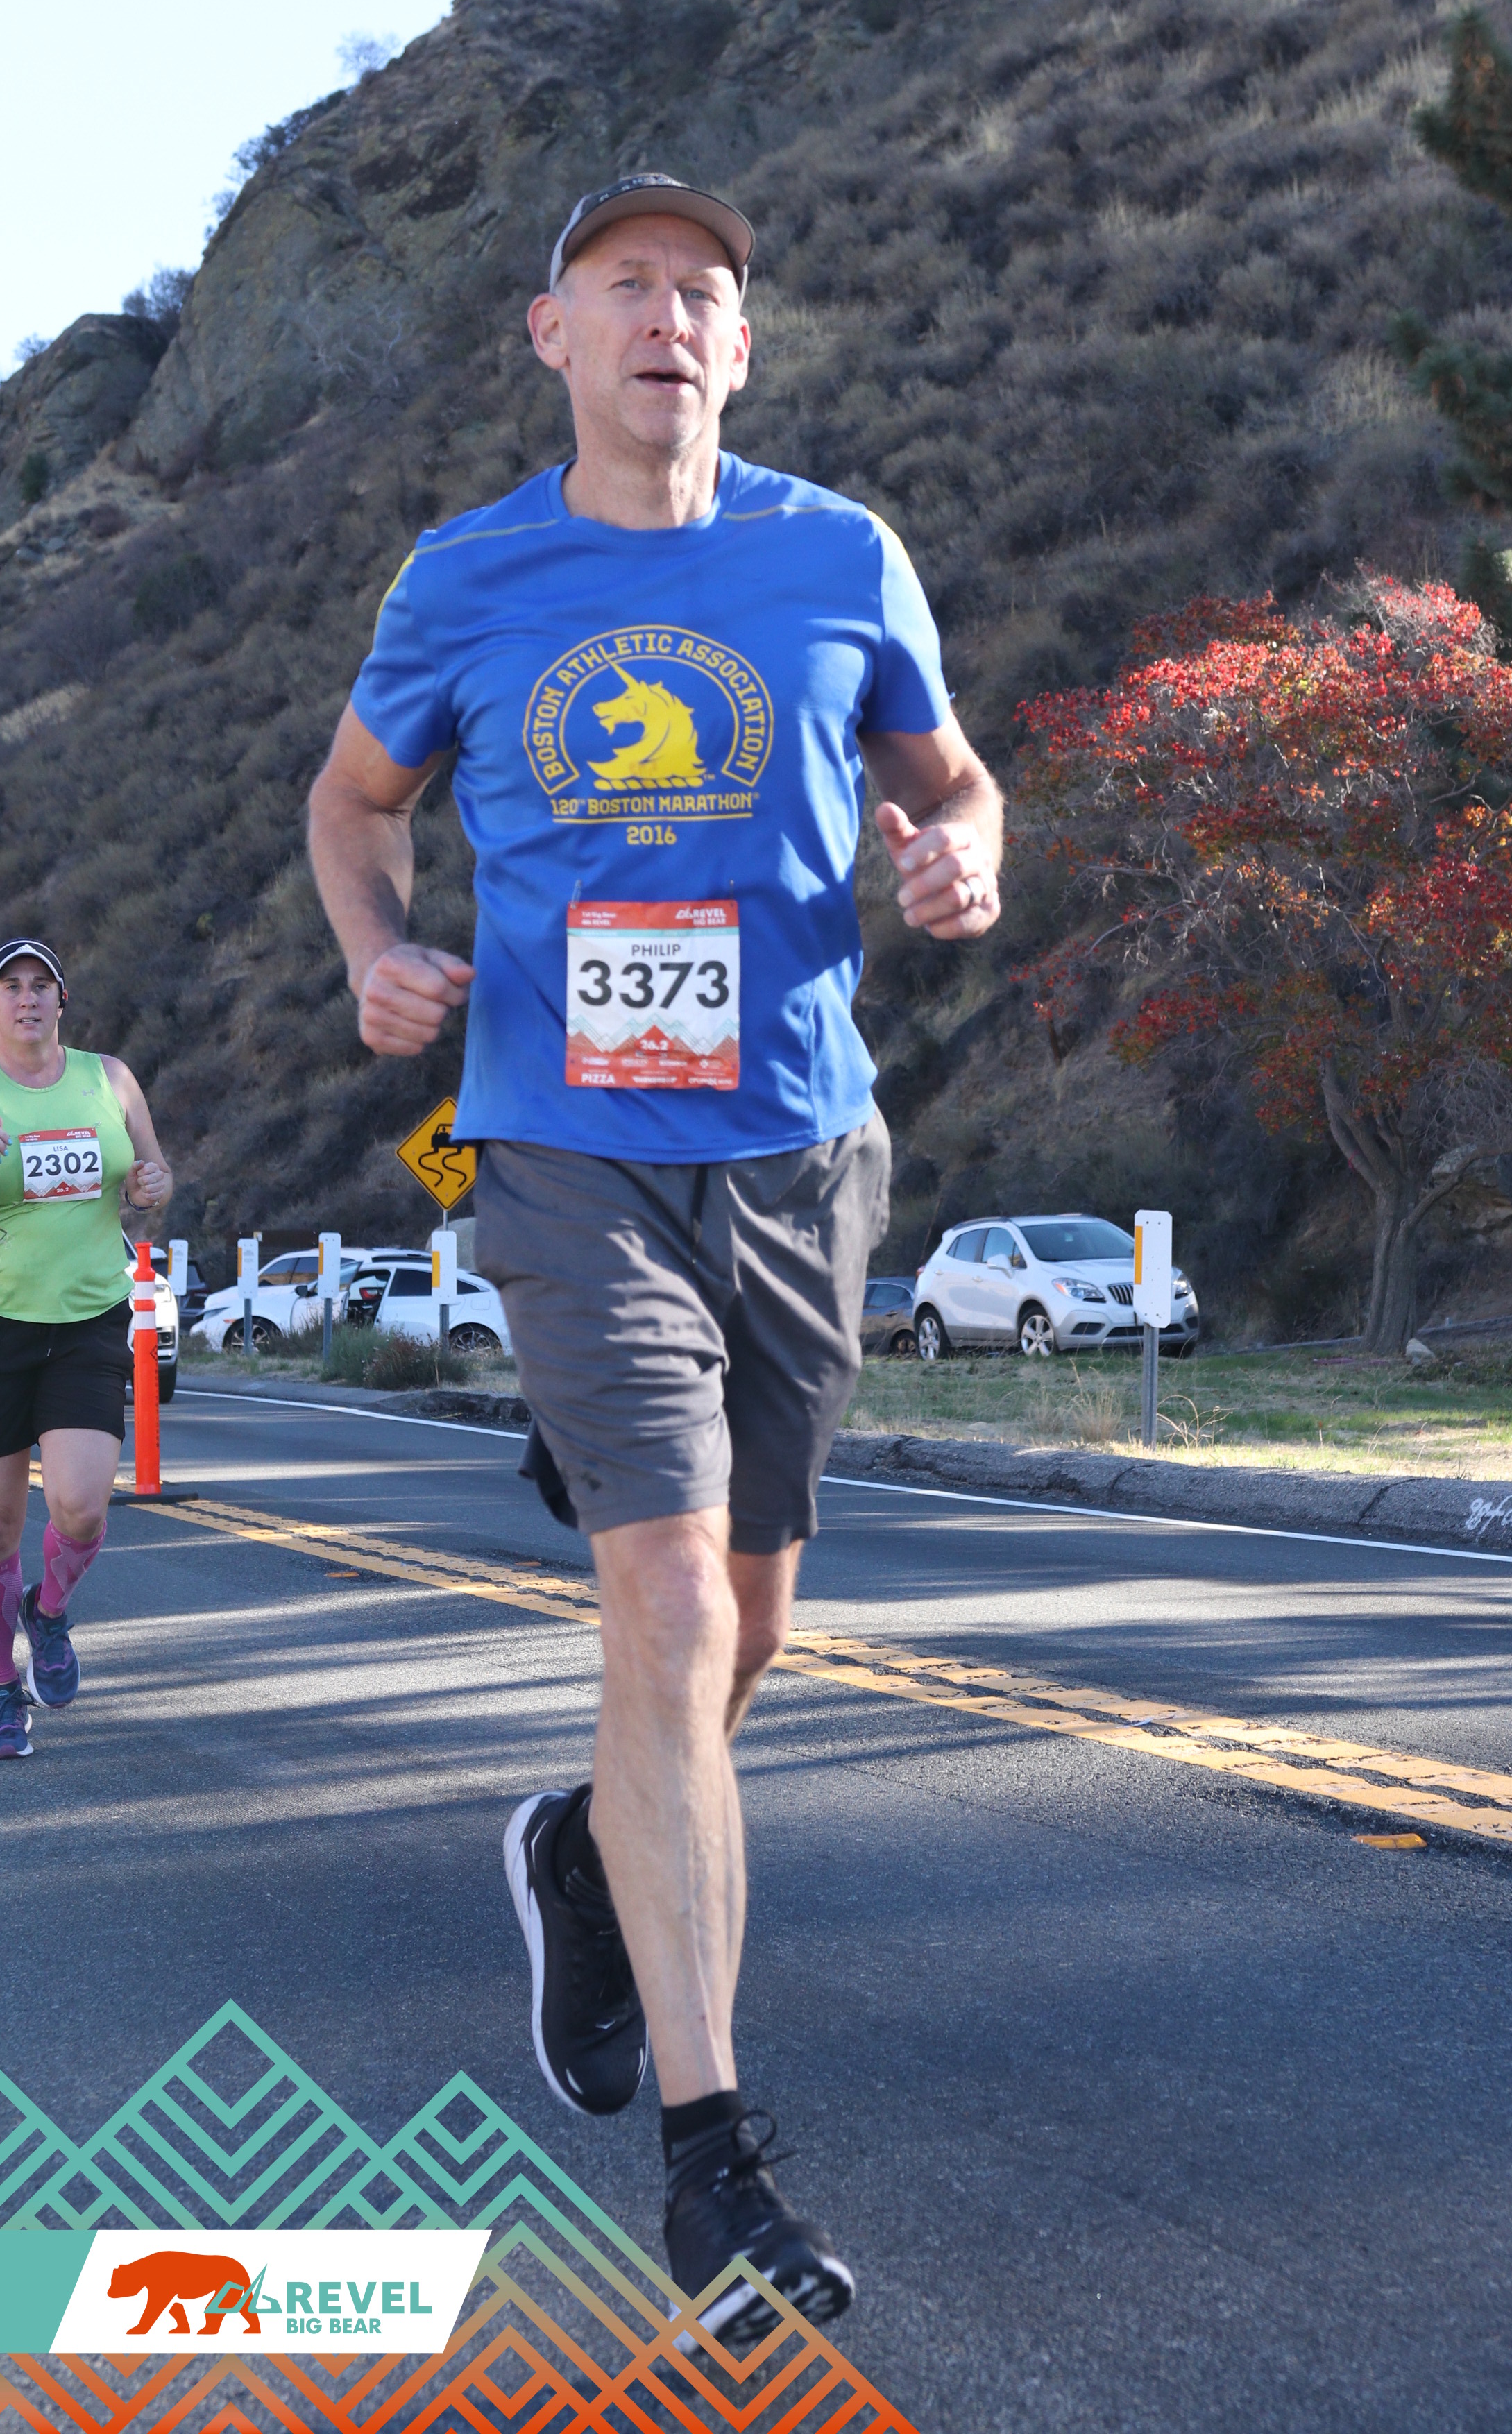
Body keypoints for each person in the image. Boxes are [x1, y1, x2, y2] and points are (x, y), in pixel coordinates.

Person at [308, 171, 1002, 2350]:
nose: (668, 316)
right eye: (626, 286)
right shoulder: (468, 574)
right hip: (562, 1147)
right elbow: (353, 801)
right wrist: (376, 951)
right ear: (553, 334)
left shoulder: (838, 553)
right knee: (674, 1600)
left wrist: (961, 858)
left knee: (745, 1632)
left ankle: (588, 1853)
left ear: (745, 347)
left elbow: (959, 781)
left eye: (704, 291)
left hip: (800, 1149)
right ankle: (718, 2163)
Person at [0, 939, 174, 1757]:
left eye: (41, 985)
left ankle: (49, 1612)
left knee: (80, 1506)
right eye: (10, 986)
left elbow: (152, 1176)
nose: (26, 998)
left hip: (88, 1320)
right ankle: (3, 1690)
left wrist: (152, 1185)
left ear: (62, 1000)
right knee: (1, 1526)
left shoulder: (109, 1079)